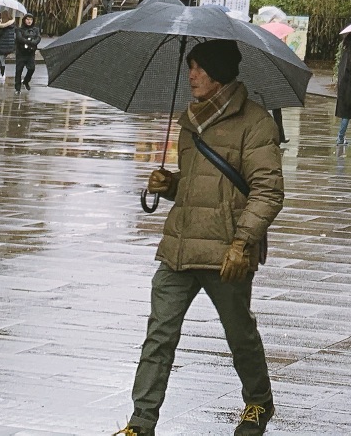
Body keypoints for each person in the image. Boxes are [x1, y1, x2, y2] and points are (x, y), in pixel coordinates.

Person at [117, 39, 284, 436]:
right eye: (190, 67)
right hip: (179, 246)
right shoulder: (189, 120)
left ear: (219, 72)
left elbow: (268, 191)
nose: (191, 75)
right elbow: (199, 184)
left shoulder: (257, 122)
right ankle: (141, 423)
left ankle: (259, 402)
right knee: (159, 334)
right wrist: (170, 185)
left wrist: (243, 243)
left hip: (227, 250)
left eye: (198, 68)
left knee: (239, 333)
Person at [14, 15, 41, 89]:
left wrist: (32, 43)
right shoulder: (20, 29)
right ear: (24, 20)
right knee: (19, 71)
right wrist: (28, 41)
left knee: (32, 68)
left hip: (30, 53)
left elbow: (38, 38)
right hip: (21, 53)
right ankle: (17, 88)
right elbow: (19, 39)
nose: (29, 21)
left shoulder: (35, 29)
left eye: (31, 19)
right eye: (27, 19)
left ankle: (26, 81)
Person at [0, 14, 18, 80]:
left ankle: (2, 74)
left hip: (3, 45)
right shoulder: (13, 26)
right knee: (2, 59)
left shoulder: (3, 26)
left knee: (1, 59)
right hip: (10, 45)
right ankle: (2, 74)